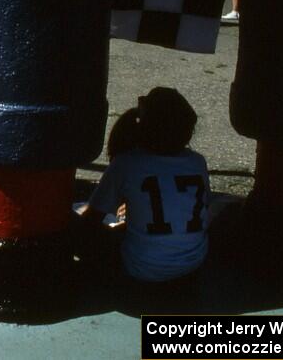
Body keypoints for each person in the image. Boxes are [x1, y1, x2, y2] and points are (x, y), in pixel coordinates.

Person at [82, 87, 210, 284]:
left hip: (139, 270)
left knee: (74, 225)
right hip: (192, 267)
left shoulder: (126, 162)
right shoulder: (197, 162)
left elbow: (91, 221)